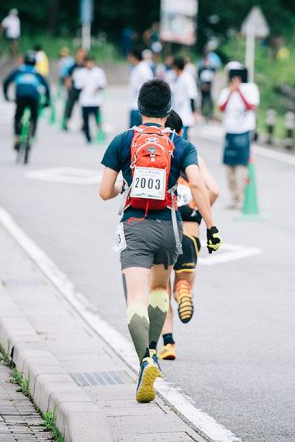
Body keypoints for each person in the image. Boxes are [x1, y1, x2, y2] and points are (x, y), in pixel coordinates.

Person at [99, 79, 222, 403]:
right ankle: (155, 348)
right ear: (168, 111)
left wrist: (122, 187)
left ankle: (146, 359)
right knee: (159, 290)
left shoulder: (123, 141)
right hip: (170, 227)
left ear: (140, 108)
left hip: (135, 225)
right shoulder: (181, 145)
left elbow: (104, 192)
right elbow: (198, 186)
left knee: (135, 299)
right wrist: (211, 227)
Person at [158, 111, 220, 361]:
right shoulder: (191, 155)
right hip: (190, 232)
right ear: (181, 133)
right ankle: (184, 291)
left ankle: (168, 342)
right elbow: (213, 190)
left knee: (160, 288)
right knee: (183, 281)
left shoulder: (154, 154)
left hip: (161, 228)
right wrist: (198, 212)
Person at [217, 62, 260, 209]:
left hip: (245, 130)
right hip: (230, 130)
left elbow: (251, 106)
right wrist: (231, 91)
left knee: (242, 165)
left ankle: (242, 197)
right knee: (229, 166)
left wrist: (239, 91)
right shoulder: (226, 91)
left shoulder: (250, 88)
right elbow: (221, 107)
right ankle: (233, 197)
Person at [2, 51, 51, 150]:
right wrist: (47, 101)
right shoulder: (37, 72)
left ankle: (16, 137)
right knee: (34, 117)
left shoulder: (19, 71)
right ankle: (32, 137)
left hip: (20, 97)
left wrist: (6, 95)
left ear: (24, 61)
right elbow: (46, 87)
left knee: (18, 116)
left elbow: (6, 82)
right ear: (35, 63)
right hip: (33, 98)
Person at [76, 56, 107, 143]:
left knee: (98, 119)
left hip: (96, 100)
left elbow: (103, 83)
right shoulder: (80, 73)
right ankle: (88, 137)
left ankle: (100, 135)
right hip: (85, 100)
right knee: (85, 120)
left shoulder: (99, 72)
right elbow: (77, 85)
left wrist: (97, 88)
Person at [171, 57, 198, 140]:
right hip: (178, 114)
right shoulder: (179, 78)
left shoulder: (187, 78)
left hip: (185, 115)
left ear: (175, 67)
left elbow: (192, 96)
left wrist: (194, 112)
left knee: (182, 142)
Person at [127, 48, 154, 128]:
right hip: (134, 104)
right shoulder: (136, 68)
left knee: (137, 132)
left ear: (133, 57)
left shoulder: (143, 68)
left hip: (140, 107)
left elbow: (150, 85)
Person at [62, 48, 87, 131]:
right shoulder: (74, 66)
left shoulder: (86, 66)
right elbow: (67, 75)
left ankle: (84, 124)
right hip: (74, 89)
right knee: (69, 106)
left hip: (83, 90)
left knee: (84, 107)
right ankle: (66, 122)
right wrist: (68, 85)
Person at [198, 56, 216, 121]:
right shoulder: (201, 69)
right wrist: (202, 86)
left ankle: (210, 113)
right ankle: (203, 112)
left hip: (209, 86)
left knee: (209, 100)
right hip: (203, 86)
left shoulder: (211, 69)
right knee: (203, 100)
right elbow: (199, 78)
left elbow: (212, 78)